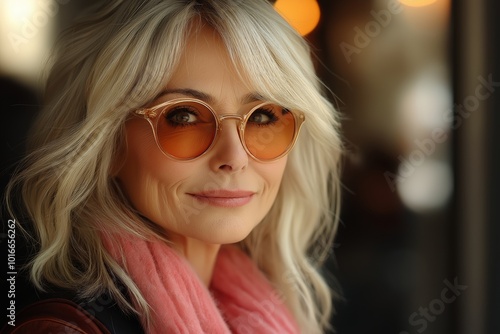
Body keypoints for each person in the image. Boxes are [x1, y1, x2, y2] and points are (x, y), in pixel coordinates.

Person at [3, 0, 342, 333]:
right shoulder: (66, 328)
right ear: (108, 143)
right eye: (184, 116)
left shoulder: (265, 307)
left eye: (263, 117)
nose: (235, 157)